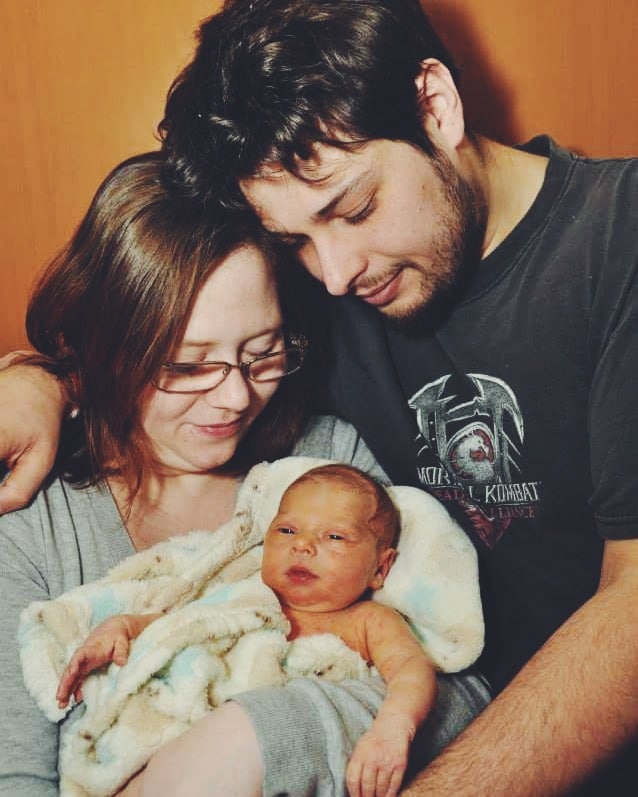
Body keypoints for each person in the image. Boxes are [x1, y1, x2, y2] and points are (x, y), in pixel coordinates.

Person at [1, 0, 635, 794]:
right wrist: (41, 380)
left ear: (435, 105)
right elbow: (167, 330)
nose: (335, 274)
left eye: (354, 207)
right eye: (296, 238)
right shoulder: (323, 288)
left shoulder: (620, 237)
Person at [0, 152, 488, 797]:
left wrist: (250, 739)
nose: (236, 399)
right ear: (108, 350)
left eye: (263, 353)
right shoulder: (38, 521)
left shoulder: (328, 468)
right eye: (187, 365)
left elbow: (462, 690)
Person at [55, 463, 436, 797]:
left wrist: (391, 729)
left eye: (334, 536)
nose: (302, 545)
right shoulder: (247, 593)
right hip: (178, 746)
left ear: (380, 569)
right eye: (286, 530)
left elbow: (411, 670)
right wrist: (122, 627)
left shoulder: (366, 621)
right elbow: (185, 625)